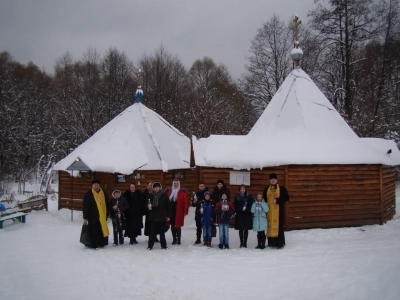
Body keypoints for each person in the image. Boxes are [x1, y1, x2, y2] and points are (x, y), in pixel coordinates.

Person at [263, 173, 290, 249]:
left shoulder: (282, 189)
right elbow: (264, 199)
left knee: (279, 227)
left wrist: (278, 200)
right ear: (269, 180)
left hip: (279, 212)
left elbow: (287, 198)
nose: (272, 181)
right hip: (269, 212)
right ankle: (271, 243)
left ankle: (279, 243)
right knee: (270, 226)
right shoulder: (266, 189)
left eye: (274, 179)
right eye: (271, 179)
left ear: (277, 180)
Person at [83, 179, 109, 249]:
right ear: (92, 185)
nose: (96, 185)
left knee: (101, 230)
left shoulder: (103, 193)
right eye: (95, 184)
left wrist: (107, 213)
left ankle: (101, 243)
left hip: (102, 215)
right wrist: (85, 217)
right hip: (92, 216)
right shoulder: (88, 194)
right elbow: (85, 206)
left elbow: (106, 204)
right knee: (93, 231)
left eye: (97, 184)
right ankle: (94, 244)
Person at [146, 182, 170, 250]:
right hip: (152, 217)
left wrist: (168, 215)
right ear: (153, 188)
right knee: (152, 233)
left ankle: (164, 246)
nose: (156, 189)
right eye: (155, 187)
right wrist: (148, 207)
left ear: (160, 188)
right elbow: (145, 206)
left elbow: (168, 206)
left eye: (158, 187)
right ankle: (150, 246)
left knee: (162, 233)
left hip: (161, 216)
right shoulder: (150, 196)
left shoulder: (164, 195)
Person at [165, 179, 189, 245]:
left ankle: (179, 239)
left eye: (177, 183)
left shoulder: (182, 192)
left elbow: (186, 203)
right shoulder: (169, 191)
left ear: (179, 184)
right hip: (171, 211)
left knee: (178, 225)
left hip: (179, 211)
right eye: (174, 183)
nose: (175, 184)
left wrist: (185, 211)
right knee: (172, 225)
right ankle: (174, 239)